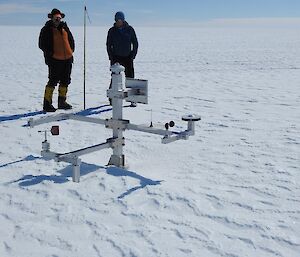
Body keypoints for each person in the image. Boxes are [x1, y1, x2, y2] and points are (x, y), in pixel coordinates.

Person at [39, 8, 75, 112]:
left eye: (59, 18)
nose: (57, 20)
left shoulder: (65, 28)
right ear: (52, 18)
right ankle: (47, 104)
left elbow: (71, 40)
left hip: (67, 59)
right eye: (56, 18)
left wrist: (71, 50)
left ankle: (62, 102)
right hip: (54, 60)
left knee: (65, 80)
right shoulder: (46, 29)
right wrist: (51, 54)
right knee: (53, 80)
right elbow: (42, 44)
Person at [106, 11, 138, 78]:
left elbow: (135, 43)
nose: (119, 22)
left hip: (128, 57)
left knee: (130, 78)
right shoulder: (112, 31)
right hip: (116, 58)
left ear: (123, 20)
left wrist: (132, 55)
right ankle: (113, 88)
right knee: (115, 78)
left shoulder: (130, 29)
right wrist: (111, 57)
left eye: (120, 20)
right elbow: (108, 45)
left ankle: (130, 87)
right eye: (117, 20)